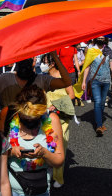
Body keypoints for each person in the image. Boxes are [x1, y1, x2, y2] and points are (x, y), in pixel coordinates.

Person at [6, 85, 65, 196]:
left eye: (34, 118)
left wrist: (44, 153)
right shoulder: (9, 117)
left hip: (40, 189)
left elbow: (59, 160)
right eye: (25, 117)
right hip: (11, 190)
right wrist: (11, 152)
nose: (29, 121)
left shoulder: (51, 119)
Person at [0, 52, 72, 113]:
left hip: (34, 125)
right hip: (12, 127)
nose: (25, 67)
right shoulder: (5, 78)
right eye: (23, 63)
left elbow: (66, 83)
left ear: (34, 62)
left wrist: (55, 57)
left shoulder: (41, 79)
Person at [42, 54, 75, 189]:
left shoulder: (63, 76)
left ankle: (58, 177)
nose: (42, 65)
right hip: (45, 116)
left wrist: (56, 105)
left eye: (44, 62)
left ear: (52, 63)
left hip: (61, 118)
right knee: (47, 144)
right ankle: (47, 171)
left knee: (59, 146)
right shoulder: (42, 78)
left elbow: (72, 94)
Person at [81, 36, 112, 136]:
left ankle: (99, 121)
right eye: (99, 38)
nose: (101, 40)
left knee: (102, 103)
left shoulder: (108, 50)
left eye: (102, 38)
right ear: (95, 39)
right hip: (95, 81)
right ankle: (98, 125)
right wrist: (84, 81)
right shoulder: (91, 50)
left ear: (105, 40)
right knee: (97, 101)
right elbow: (87, 66)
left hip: (106, 81)